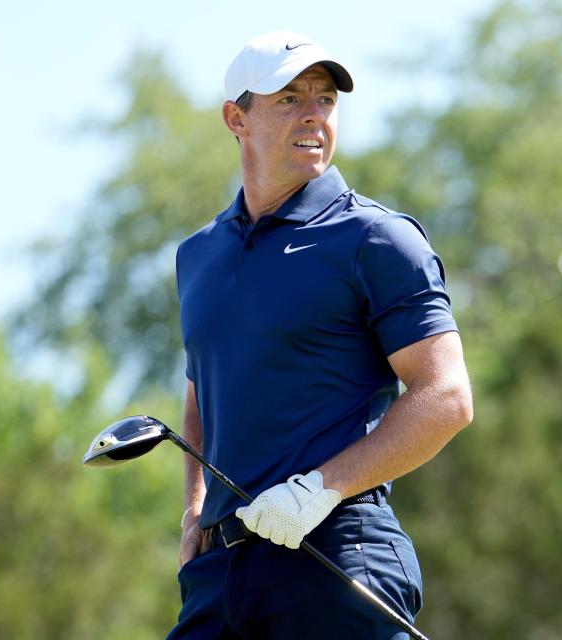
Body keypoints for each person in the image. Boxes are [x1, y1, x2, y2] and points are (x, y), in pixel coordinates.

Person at [170, 30, 473, 639]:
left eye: (327, 99)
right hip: (222, 572)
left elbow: (446, 398)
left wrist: (318, 490)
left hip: (336, 554)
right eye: (289, 99)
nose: (315, 116)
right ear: (237, 117)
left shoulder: (376, 239)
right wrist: (196, 507)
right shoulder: (197, 255)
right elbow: (206, 386)